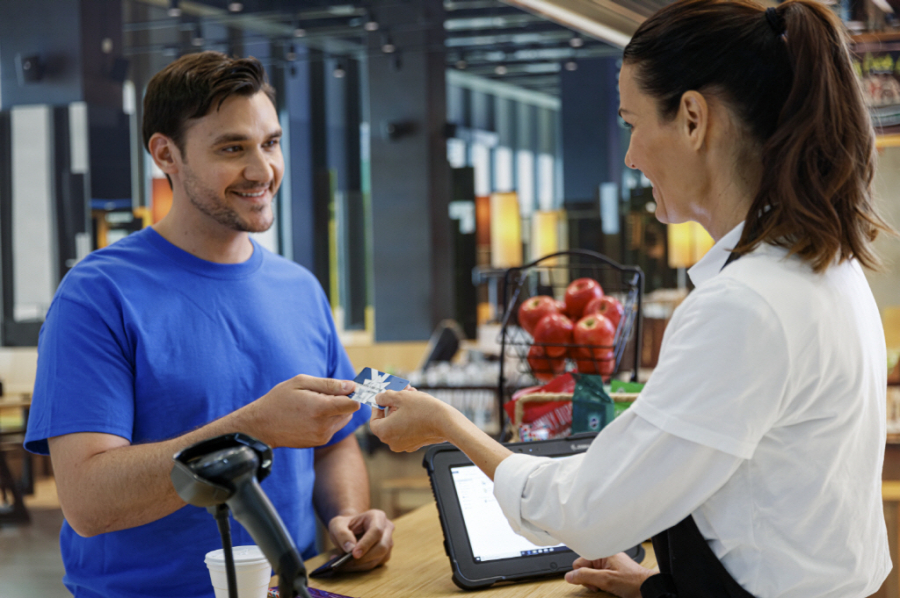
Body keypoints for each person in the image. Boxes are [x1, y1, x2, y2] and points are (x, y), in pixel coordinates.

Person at [369, 0, 895, 596]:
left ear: (693, 119)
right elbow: (785, 515)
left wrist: (448, 426)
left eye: (632, 123)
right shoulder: (826, 270)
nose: (630, 156)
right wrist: (654, 586)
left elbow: (587, 512)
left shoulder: (746, 305)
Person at [24, 51, 393, 598]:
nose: (262, 170)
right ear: (165, 154)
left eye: (271, 143)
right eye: (232, 148)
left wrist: (349, 516)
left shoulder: (300, 288)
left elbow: (334, 442)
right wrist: (255, 428)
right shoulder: (97, 294)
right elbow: (88, 501)